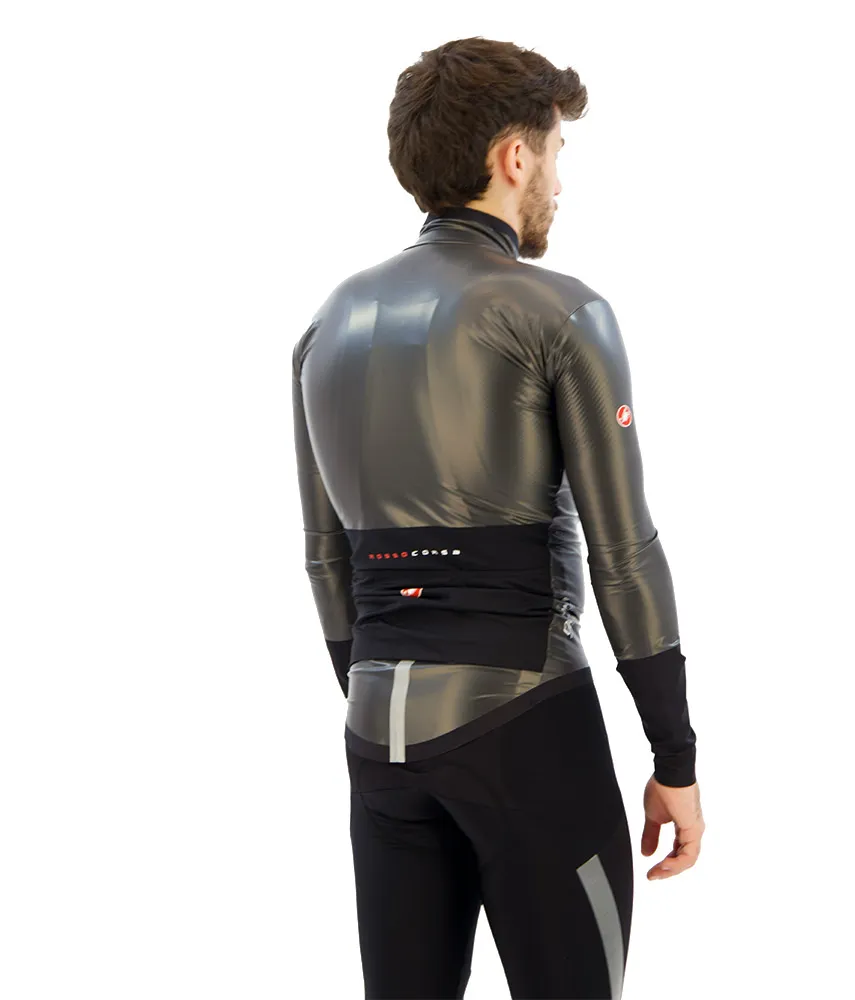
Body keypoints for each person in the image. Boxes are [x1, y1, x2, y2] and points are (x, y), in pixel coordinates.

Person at [291, 35, 705, 1000]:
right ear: (514, 156)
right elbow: (625, 552)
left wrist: (385, 700)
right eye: (556, 151)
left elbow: (324, 561)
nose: (559, 179)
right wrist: (674, 756)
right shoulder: (560, 312)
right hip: (526, 727)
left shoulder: (323, 328)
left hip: (377, 741)